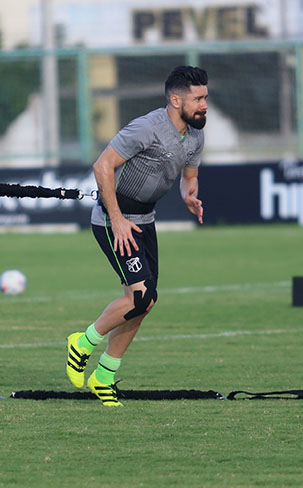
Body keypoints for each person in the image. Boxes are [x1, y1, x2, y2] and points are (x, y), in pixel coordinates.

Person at [65, 65, 208, 407]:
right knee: (141, 296)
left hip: (145, 220)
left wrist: (190, 194)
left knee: (145, 302)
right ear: (176, 100)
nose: (205, 105)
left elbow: (190, 176)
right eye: (198, 98)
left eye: (206, 97)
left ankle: (104, 376)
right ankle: (82, 343)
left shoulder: (196, 134)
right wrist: (116, 219)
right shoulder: (147, 127)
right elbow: (102, 166)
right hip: (113, 220)